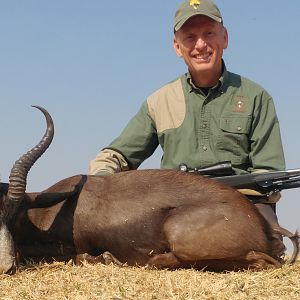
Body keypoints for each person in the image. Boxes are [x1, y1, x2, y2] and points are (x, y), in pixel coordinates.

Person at [89, 0, 285, 229]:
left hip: (242, 206)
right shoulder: (159, 101)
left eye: (209, 33)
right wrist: (101, 185)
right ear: (177, 46)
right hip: (176, 209)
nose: (200, 45)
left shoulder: (256, 97)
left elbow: (269, 174)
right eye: (190, 37)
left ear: (225, 38)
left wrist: (228, 196)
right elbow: (114, 157)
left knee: (270, 244)